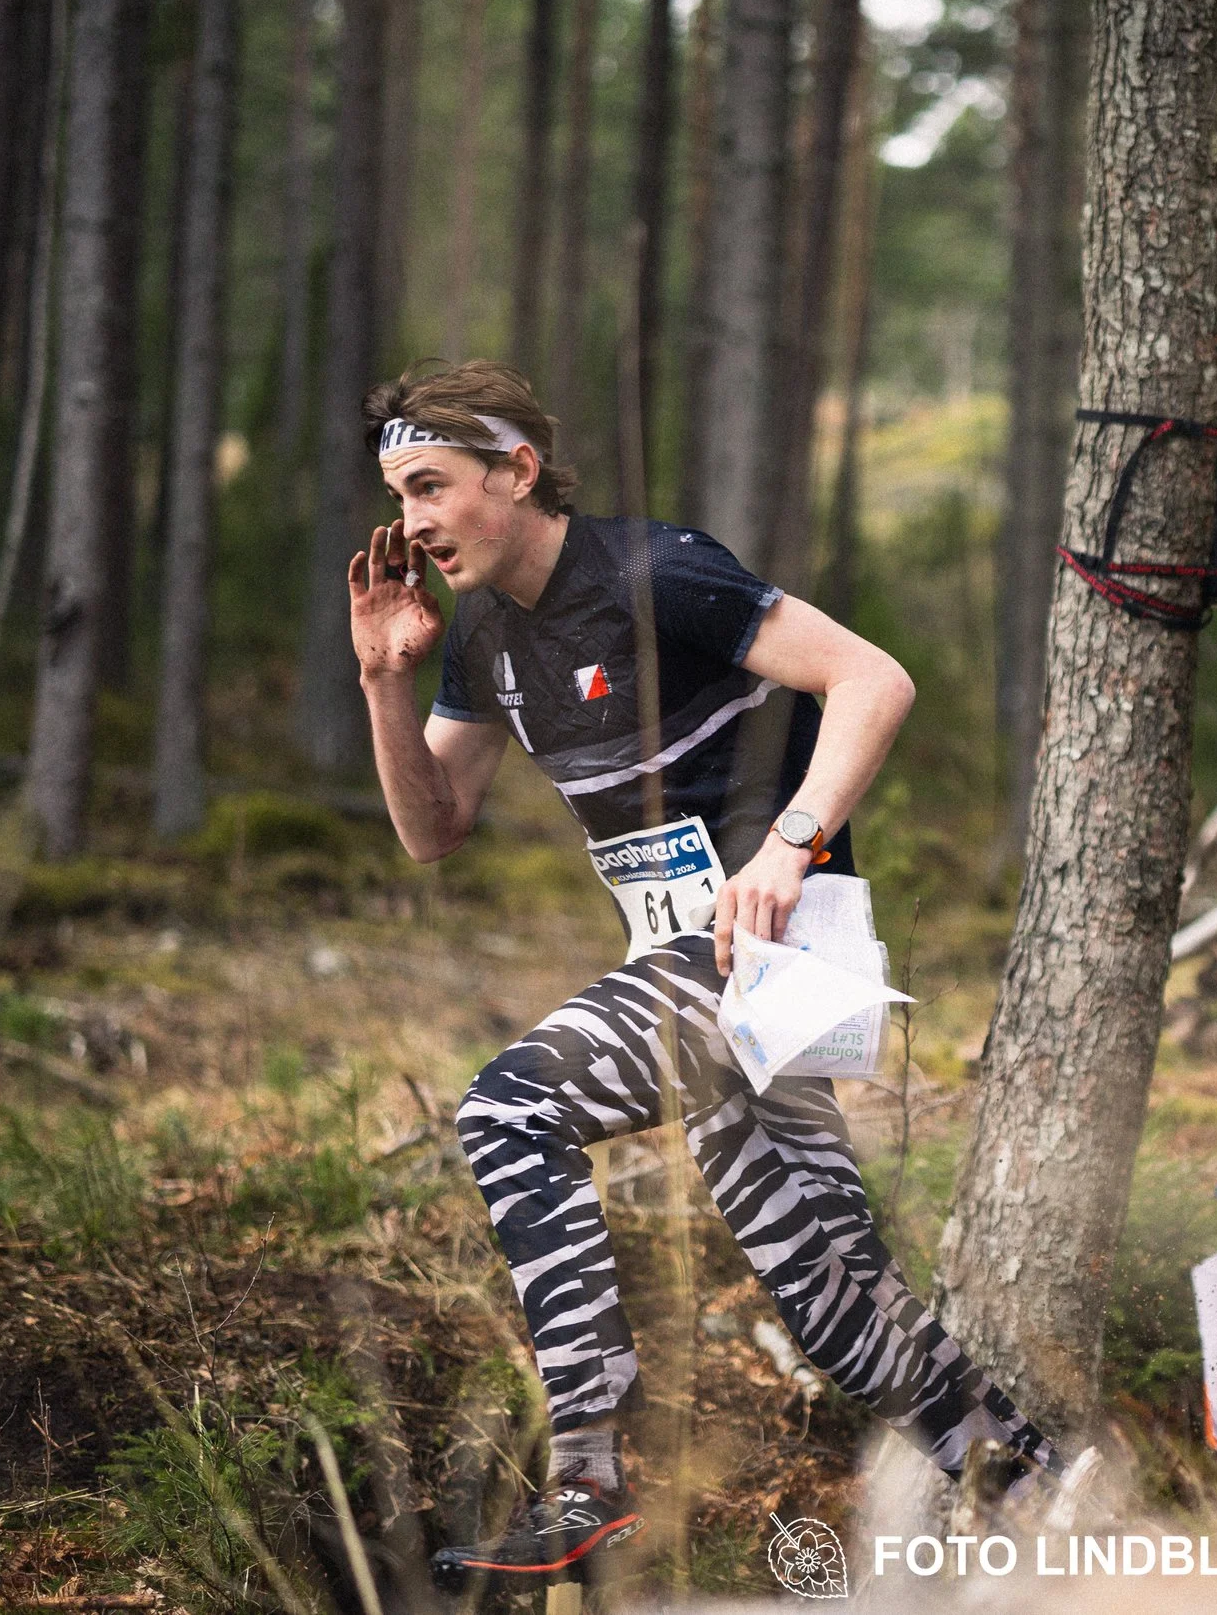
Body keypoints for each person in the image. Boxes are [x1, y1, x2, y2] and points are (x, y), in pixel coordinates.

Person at [346, 361, 1079, 1590]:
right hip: (692, 970)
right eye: (396, 493)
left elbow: (872, 676)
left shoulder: (654, 571)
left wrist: (789, 844)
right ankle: (1055, 1502)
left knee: (508, 1105)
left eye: (432, 485)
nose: (411, 520)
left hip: (779, 951)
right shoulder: (482, 639)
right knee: (837, 1304)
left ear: (516, 472)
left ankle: (585, 1468)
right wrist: (383, 676)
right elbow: (432, 828)